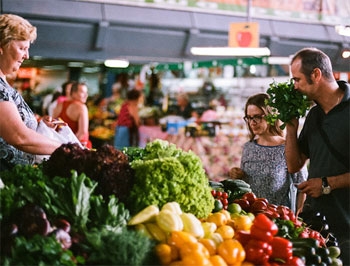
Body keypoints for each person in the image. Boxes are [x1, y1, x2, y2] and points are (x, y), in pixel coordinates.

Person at [285, 47, 349, 264]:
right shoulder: (313, 115)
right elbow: (294, 165)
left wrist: (325, 184)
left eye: (297, 80)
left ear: (316, 75)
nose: (294, 87)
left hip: (347, 226)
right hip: (316, 225)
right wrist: (291, 129)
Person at [0, 14, 62, 171]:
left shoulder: (4, 84)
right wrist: (67, 149)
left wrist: (39, 127)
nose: (26, 55)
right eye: (22, 48)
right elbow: (19, 137)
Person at [230, 93, 307, 213]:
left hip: (279, 219)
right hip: (250, 217)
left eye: (257, 117)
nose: (252, 122)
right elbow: (245, 184)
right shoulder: (248, 147)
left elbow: (303, 186)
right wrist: (237, 174)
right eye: (249, 117)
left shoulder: (287, 148)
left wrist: (299, 214)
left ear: (271, 116)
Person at [53, 81, 91, 148]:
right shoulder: (82, 107)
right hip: (77, 148)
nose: (86, 95)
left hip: (59, 146)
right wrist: (71, 148)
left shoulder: (59, 105)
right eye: (82, 92)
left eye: (86, 92)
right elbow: (82, 132)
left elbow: (53, 127)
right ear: (73, 93)